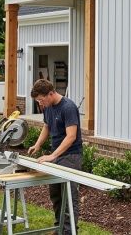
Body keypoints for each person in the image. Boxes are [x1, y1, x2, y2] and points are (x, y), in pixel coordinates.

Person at [28, 79, 82, 234]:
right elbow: (47, 126)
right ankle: (60, 228)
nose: (40, 104)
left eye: (41, 99)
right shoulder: (48, 106)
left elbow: (71, 136)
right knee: (56, 195)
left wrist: (52, 155)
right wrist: (38, 144)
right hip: (56, 155)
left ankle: (69, 231)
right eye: (38, 101)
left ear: (51, 93)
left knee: (69, 197)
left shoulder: (68, 107)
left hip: (71, 156)